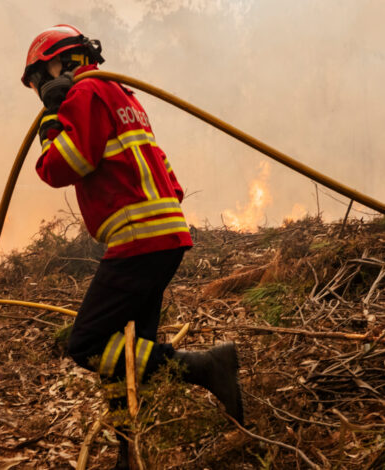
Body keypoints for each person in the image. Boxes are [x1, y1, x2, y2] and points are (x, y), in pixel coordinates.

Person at [22, 25, 244, 466]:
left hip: (138, 239)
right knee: (126, 348)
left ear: (62, 63)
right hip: (162, 235)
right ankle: (130, 454)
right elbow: (164, 171)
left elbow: (65, 165)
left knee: (86, 344)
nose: (40, 89)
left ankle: (205, 367)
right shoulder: (124, 97)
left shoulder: (84, 96)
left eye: (38, 78)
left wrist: (51, 121)